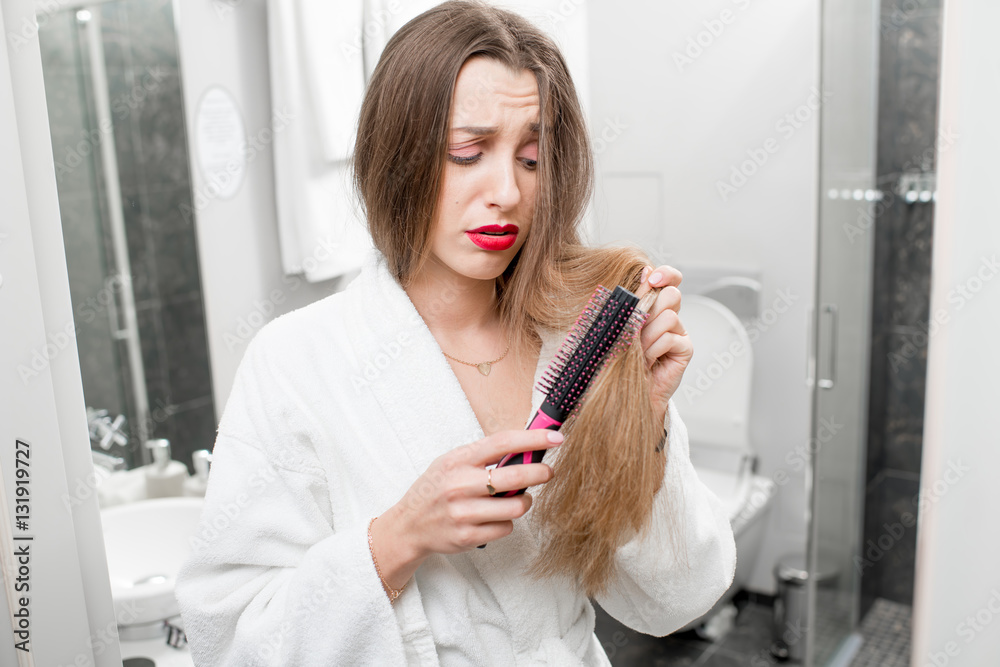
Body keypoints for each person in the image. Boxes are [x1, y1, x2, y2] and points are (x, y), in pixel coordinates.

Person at [175, 2, 736, 665]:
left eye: (532, 158)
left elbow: (679, 598)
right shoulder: (296, 363)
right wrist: (396, 538)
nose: (507, 190)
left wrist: (641, 424)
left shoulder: (577, 342)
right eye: (468, 152)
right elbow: (228, 640)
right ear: (398, 156)